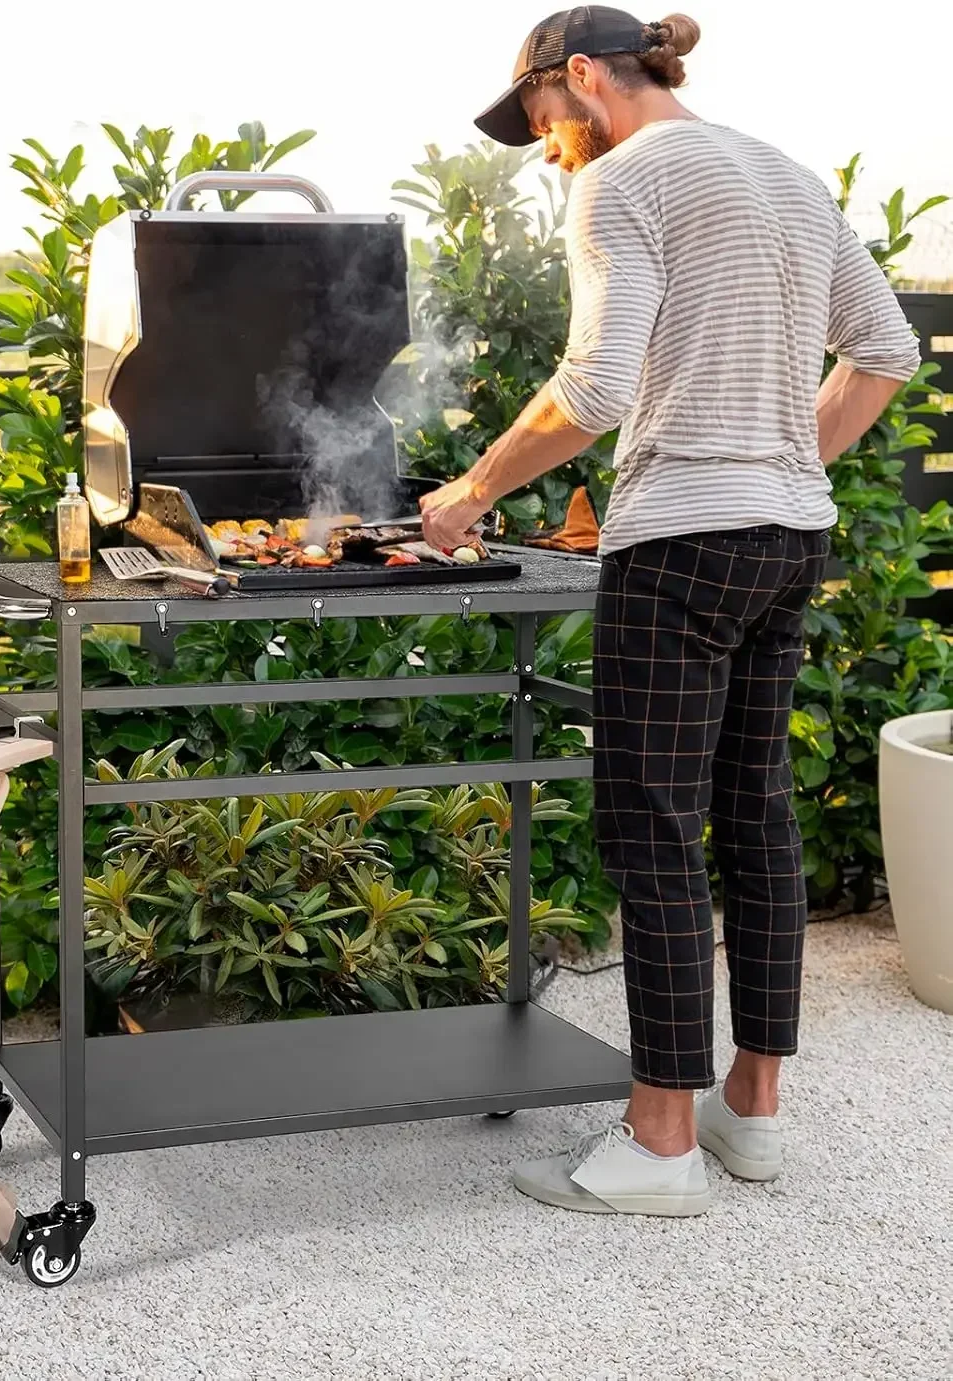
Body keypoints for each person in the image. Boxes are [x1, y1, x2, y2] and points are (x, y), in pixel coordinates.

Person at [421, 6, 922, 1215]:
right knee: (755, 814)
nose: (545, 149)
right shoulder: (788, 176)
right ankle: (750, 1113)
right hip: (789, 538)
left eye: (541, 119)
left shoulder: (624, 180)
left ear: (583, 78)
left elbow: (593, 386)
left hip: (684, 547)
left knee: (650, 823)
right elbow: (889, 346)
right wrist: (775, 458)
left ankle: (657, 1146)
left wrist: (471, 490)